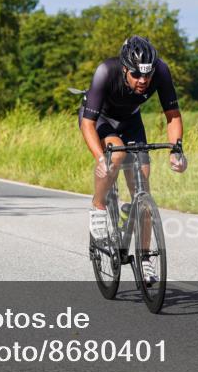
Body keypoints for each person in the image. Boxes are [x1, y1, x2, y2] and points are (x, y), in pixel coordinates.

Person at [78, 36, 187, 284]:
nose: (143, 81)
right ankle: (98, 207)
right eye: (137, 75)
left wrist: (176, 149)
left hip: (130, 120)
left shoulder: (160, 70)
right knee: (116, 155)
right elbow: (87, 124)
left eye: (147, 77)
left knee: (142, 190)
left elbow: (172, 115)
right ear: (125, 68)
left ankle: (146, 257)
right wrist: (99, 159)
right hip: (100, 119)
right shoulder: (106, 71)